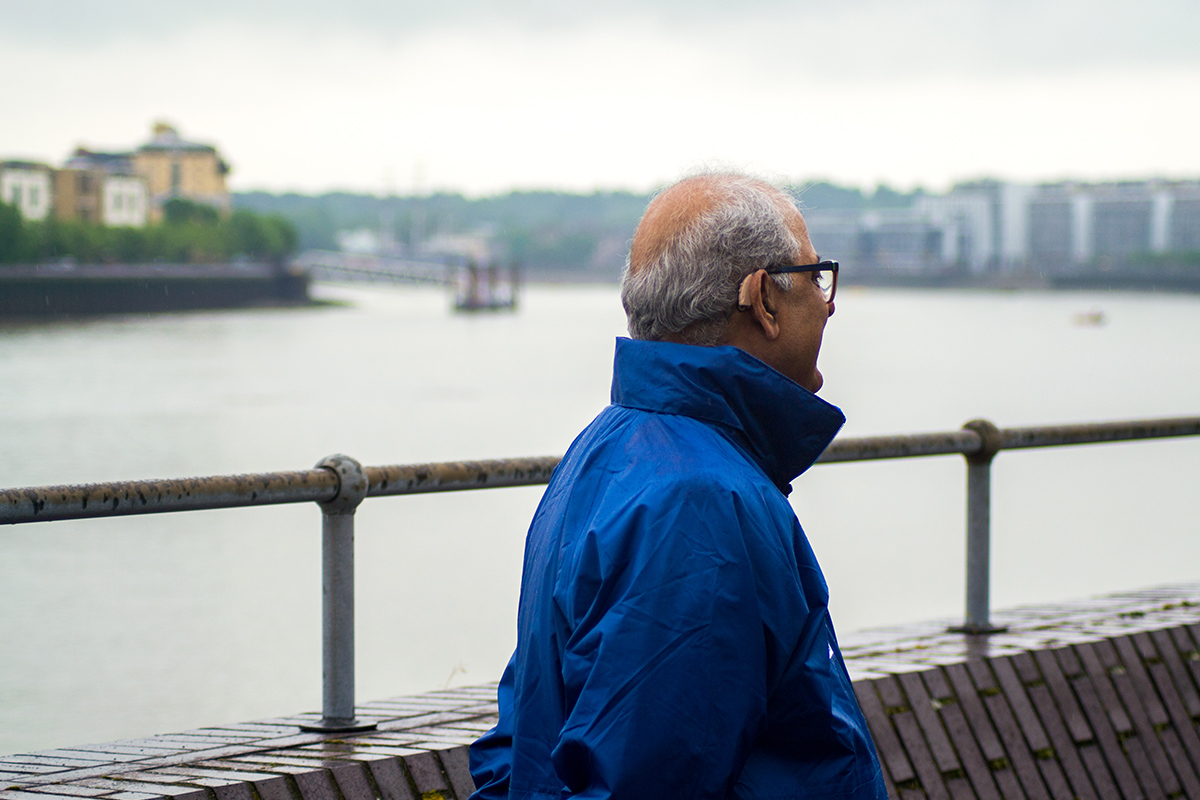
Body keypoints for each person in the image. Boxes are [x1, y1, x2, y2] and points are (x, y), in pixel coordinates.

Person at [469, 173, 887, 800]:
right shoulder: (703, 504)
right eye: (816, 275)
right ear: (763, 300)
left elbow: (527, 727)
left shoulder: (605, 449)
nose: (828, 303)